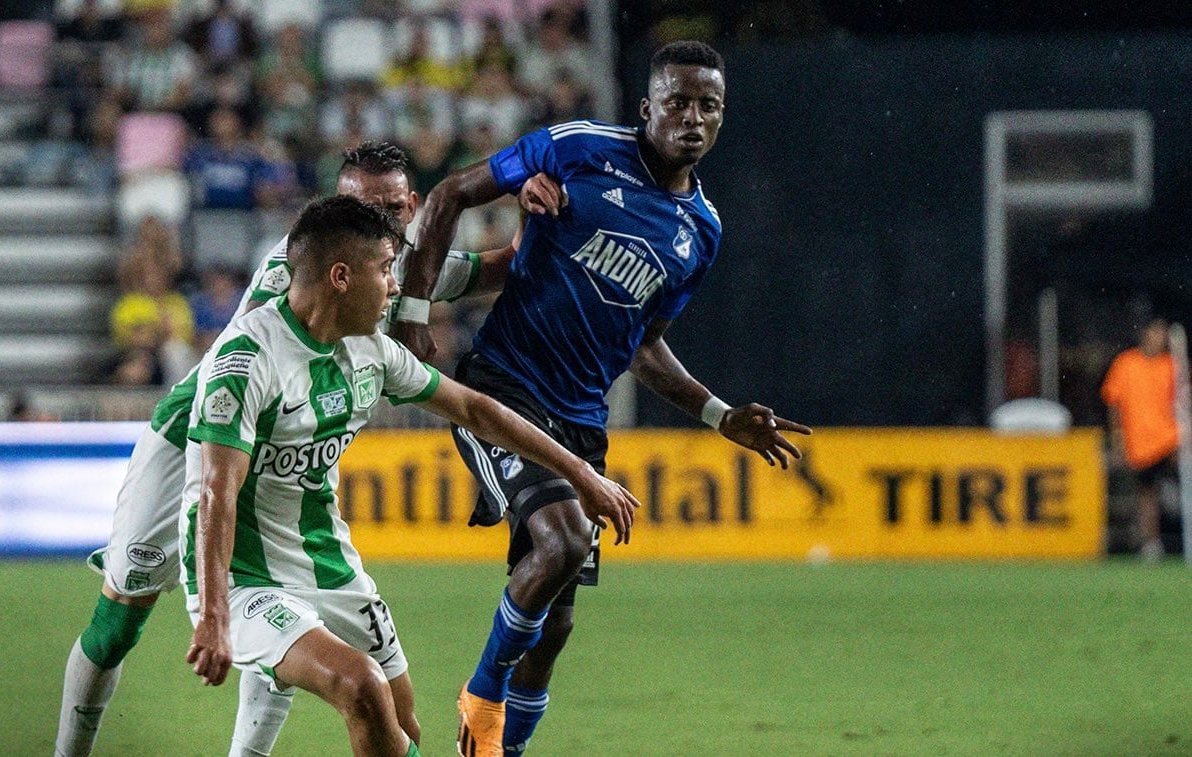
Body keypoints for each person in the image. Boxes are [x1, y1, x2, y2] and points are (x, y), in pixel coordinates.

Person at [55, 141, 560, 757]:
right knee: (119, 618)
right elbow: (276, 363)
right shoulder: (297, 278)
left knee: (294, 604)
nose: (372, 222)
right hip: (196, 443)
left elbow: (504, 266)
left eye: (386, 211)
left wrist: (531, 215)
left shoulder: (401, 266)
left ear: (412, 207)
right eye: (353, 208)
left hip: (287, 458)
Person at [392, 41, 811, 755]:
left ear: (721, 119)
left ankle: (503, 749)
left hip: (583, 420)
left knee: (555, 627)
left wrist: (719, 414)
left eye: (708, 105)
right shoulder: (579, 148)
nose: (692, 117)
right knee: (564, 538)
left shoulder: (701, 232)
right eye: (677, 101)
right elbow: (450, 193)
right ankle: (481, 692)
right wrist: (411, 308)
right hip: (503, 387)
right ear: (648, 107)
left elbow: (643, 346)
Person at [182, 195, 637, 757]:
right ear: (341, 276)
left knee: (404, 729)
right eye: (385, 270)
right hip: (243, 576)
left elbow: (478, 410)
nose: (397, 288)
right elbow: (215, 493)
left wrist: (581, 476)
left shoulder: (370, 351)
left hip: (327, 560)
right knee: (362, 687)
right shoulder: (246, 359)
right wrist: (214, 619)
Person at [1102, 317, 1179, 561]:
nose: (1160, 338)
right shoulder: (1126, 363)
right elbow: (1113, 403)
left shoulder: (1173, 365)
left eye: (1163, 334)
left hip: (1172, 441)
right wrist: (1117, 439)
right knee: (1147, 494)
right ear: (1145, 334)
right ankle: (1151, 544)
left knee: (1176, 487)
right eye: (1156, 332)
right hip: (1141, 443)